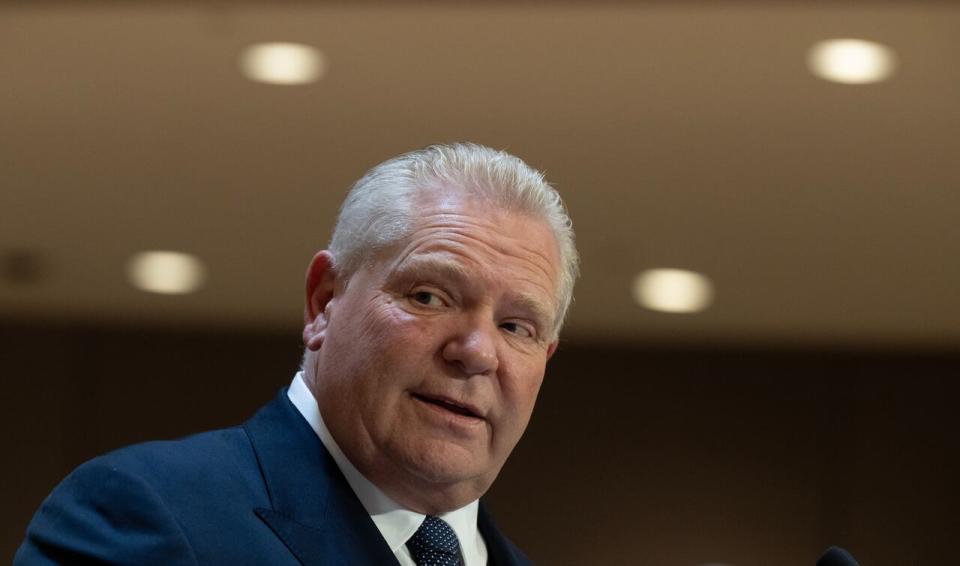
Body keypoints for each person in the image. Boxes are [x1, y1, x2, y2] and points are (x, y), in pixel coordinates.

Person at [15, 143, 579, 565]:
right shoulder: (148, 515)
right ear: (324, 302)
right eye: (429, 296)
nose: (477, 352)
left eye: (516, 326)